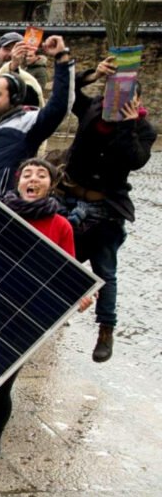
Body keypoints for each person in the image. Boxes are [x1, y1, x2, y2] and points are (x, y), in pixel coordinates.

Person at [0, 158, 92, 471]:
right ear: (18, 181)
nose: (33, 179)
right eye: (27, 174)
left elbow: (69, 273)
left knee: (1, 383)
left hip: (22, 319)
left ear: (50, 185)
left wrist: (81, 296)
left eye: (41, 175)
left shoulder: (60, 225)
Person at [61, 56, 156, 362]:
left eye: (127, 97)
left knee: (105, 271)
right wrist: (93, 74)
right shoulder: (91, 109)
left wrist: (126, 126)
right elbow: (67, 93)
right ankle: (50, 314)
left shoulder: (143, 130)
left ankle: (106, 330)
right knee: (59, 262)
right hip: (72, 198)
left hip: (106, 208)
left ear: (137, 100)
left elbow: (133, 160)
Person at [0, 35, 74, 198]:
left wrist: (61, 58)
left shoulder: (28, 124)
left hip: (2, 213)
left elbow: (59, 106)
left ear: (15, 98)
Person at [0, 32, 43, 107]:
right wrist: (11, 66)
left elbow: (39, 110)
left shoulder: (29, 80)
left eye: (18, 50)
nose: (12, 54)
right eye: (7, 49)